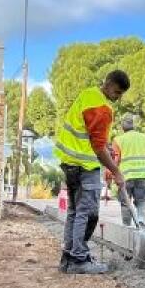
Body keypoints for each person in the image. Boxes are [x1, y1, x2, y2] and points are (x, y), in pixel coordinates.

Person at [53, 70, 130, 274]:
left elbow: (90, 134)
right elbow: (96, 148)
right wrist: (116, 171)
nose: (118, 97)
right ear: (110, 84)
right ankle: (78, 259)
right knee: (88, 214)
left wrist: (105, 146)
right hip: (85, 166)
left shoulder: (88, 94)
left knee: (75, 211)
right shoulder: (102, 109)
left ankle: (68, 257)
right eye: (118, 92)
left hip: (69, 162)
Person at [107, 114, 145, 226]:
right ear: (133, 126)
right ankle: (140, 221)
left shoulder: (118, 140)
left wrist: (109, 176)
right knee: (141, 200)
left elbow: (113, 161)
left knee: (125, 202)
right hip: (141, 176)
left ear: (122, 127)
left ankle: (127, 225)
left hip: (124, 177)